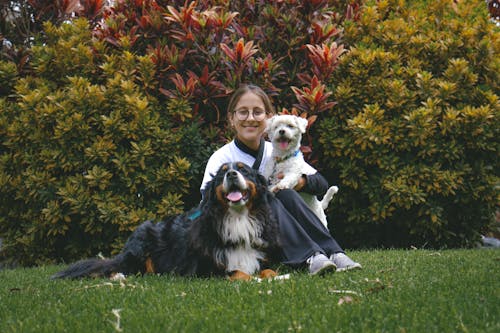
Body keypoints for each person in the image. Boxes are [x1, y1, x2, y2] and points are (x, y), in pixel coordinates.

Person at [200, 84, 361, 275]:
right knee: (269, 198)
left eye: (257, 112)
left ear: (268, 118)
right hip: (245, 235)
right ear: (231, 118)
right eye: (243, 112)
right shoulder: (222, 158)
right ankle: (310, 256)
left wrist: (301, 182)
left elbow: (321, 183)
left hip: (278, 230)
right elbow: (207, 204)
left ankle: (333, 252)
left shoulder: (277, 149)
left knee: (286, 194)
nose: (250, 118)